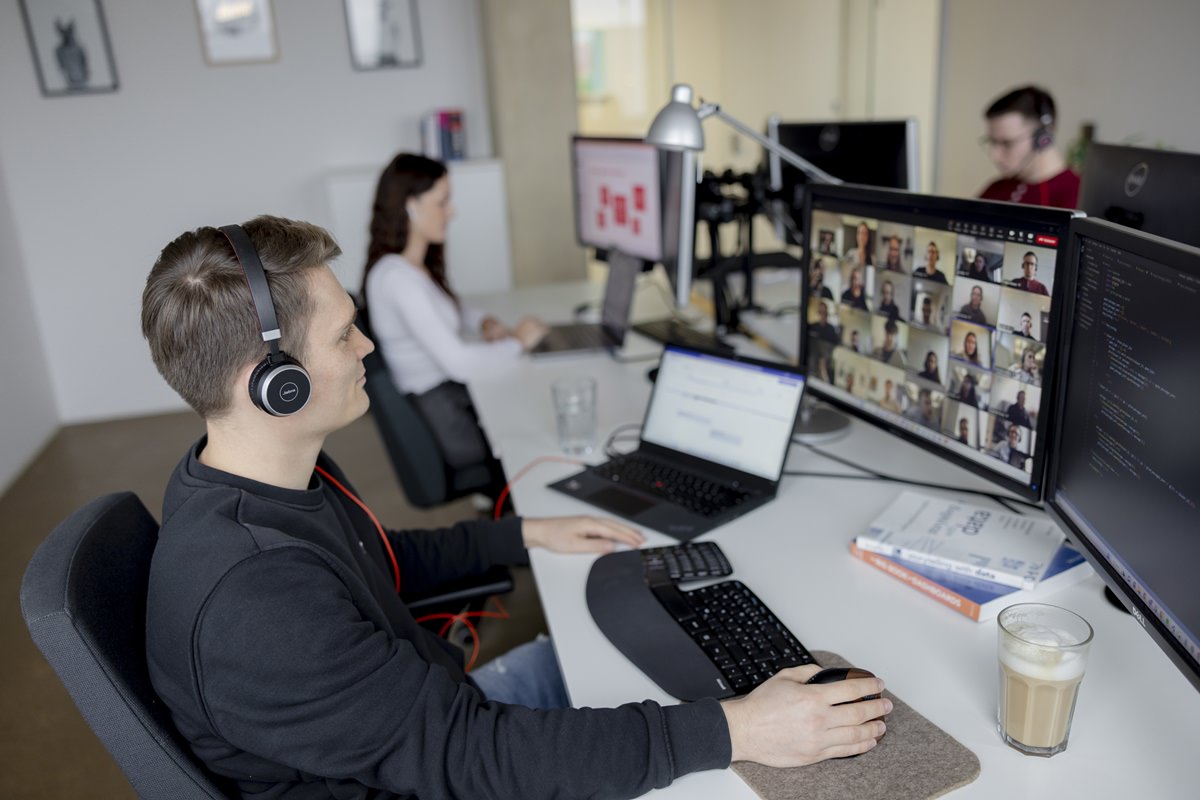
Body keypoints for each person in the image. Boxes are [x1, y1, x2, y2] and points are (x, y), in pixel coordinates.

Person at [140, 216, 892, 800]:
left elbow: (379, 561)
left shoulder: (250, 484)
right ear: (274, 383)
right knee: (733, 749)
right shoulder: (255, 598)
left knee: (656, 658)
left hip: (427, 722)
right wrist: (738, 731)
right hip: (439, 768)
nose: (369, 345)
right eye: (343, 334)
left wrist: (524, 532)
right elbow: (471, 758)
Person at [361, 154, 547, 475]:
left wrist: (483, 321)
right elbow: (460, 363)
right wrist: (519, 341)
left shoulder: (405, 268)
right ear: (411, 205)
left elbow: (446, 308)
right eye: (443, 202)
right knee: (534, 415)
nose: (453, 212)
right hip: (447, 419)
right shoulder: (397, 280)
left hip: (446, 400)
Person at [978, 85, 1080, 209]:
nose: (995, 156)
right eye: (993, 142)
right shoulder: (995, 190)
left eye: (1007, 143)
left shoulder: (1078, 196)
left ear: (1043, 138)